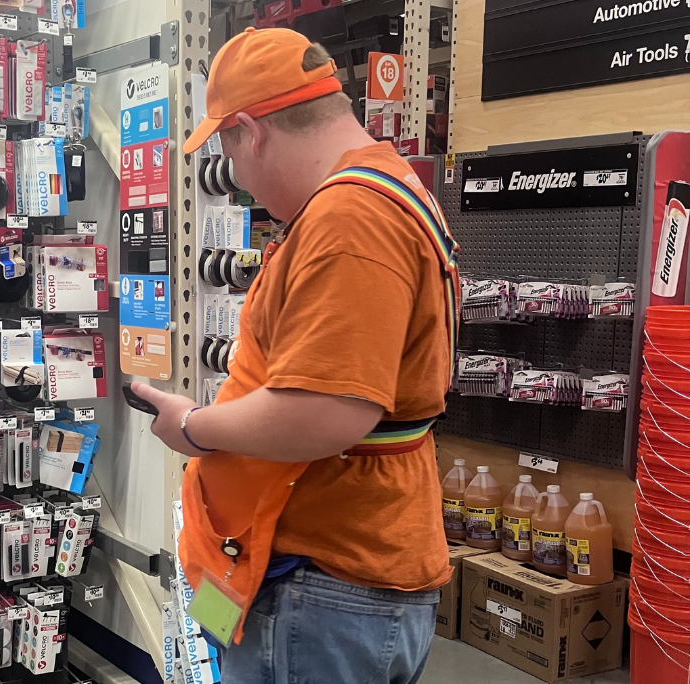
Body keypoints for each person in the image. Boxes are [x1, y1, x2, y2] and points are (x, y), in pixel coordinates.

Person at [130, 27, 460, 684]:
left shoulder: (349, 221)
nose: (240, 181)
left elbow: (327, 411)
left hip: (324, 590)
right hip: (329, 586)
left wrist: (194, 427)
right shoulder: (374, 196)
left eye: (229, 150)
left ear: (250, 133)